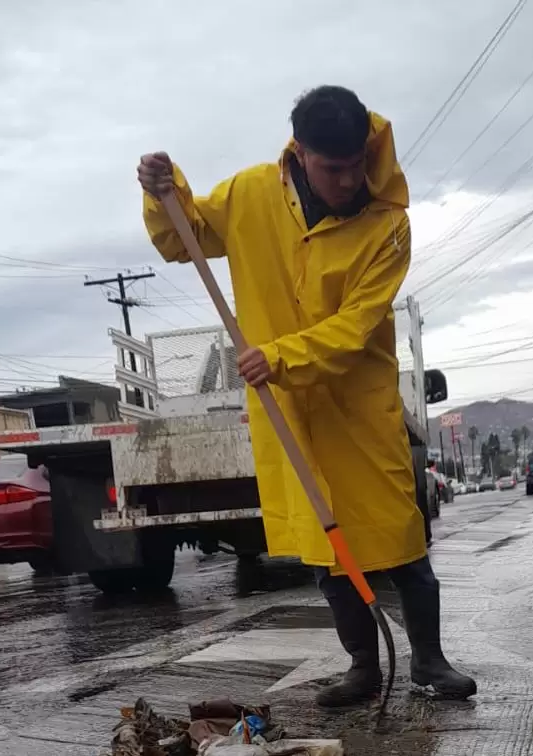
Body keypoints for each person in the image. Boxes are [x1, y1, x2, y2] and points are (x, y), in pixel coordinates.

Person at [137, 85, 476, 708]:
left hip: (358, 406)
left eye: (356, 166)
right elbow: (182, 239)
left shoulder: (387, 224)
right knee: (330, 549)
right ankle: (362, 668)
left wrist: (282, 354)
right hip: (286, 408)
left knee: (402, 540)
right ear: (299, 152)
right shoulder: (249, 196)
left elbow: (355, 324)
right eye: (333, 168)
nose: (349, 181)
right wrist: (164, 193)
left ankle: (429, 661)